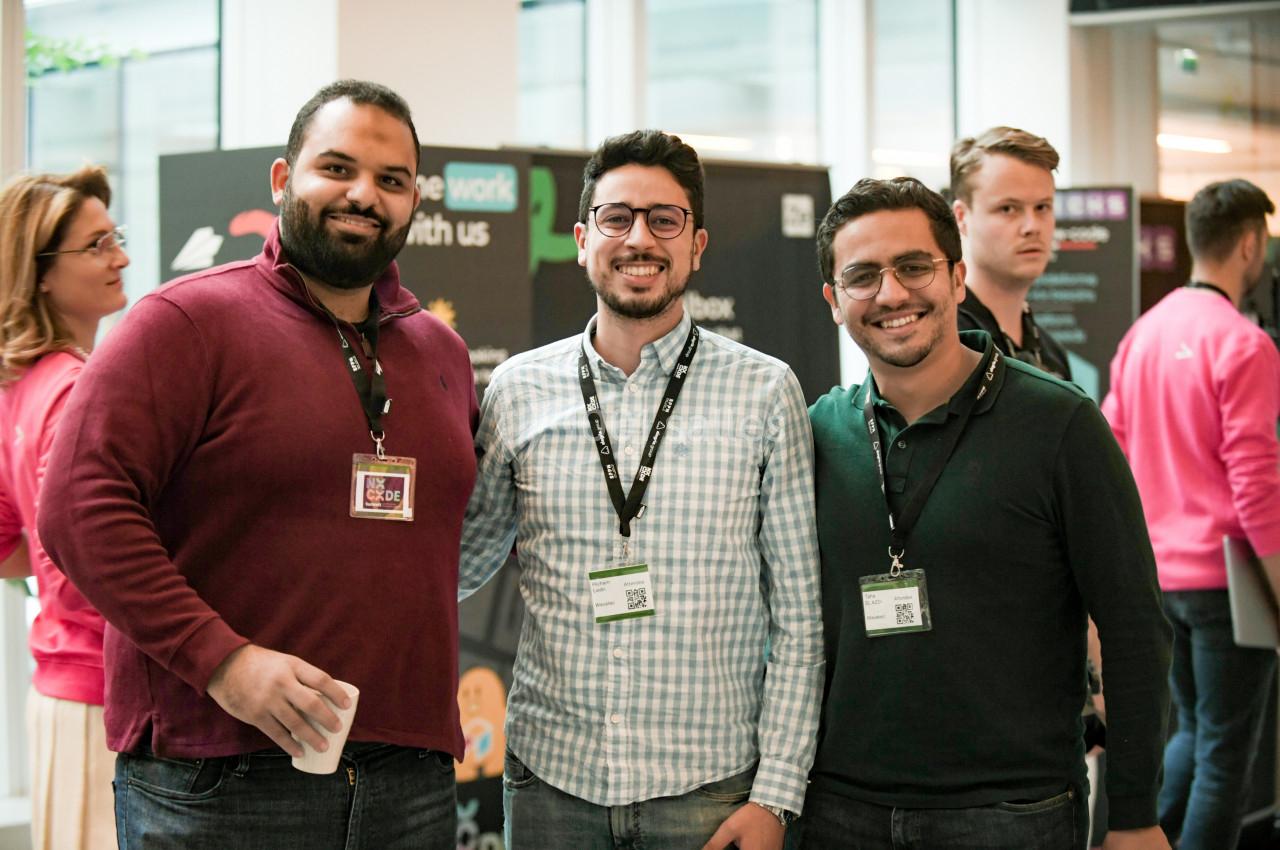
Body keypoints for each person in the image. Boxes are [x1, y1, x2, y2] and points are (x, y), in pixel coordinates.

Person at [38, 80, 475, 849]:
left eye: (391, 180)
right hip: (222, 773)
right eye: (336, 168)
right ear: (282, 179)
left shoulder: (441, 353)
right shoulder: (185, 323)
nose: (363, 195)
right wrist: (224, 663)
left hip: (411, 780)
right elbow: (78, 508)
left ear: (414, 202)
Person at [459, 129, 823, 850]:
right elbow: (459, 565)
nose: (639, 239)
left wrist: (775, 796)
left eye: (665, 219)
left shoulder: (764, 390)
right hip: (552, 786)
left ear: (697, 244)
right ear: (581, 237)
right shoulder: (517, 390)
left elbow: (801, 620)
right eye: (616, 217)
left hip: (711, 792)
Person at [802, 176, 1171, 850]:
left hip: (1012, 813)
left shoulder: (1060, 425)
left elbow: (1134, 628)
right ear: (833, 300)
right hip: (837, 810)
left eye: (915, 266)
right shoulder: (817, 434)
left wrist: (1135, 816)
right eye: (862, 276)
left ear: (957, 276)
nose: (891, 293)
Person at [1102, 179, 1280, 850]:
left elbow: (1112, 452)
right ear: (1249, 244)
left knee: (1194, 733)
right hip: (1228, 579)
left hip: (1158, 576)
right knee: (1226, 755)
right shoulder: (1245, 343)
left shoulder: (1143, 334)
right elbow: (1256, 484)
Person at [0, 165, 128, 850]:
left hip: (59, 698)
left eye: (117, 237)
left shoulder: (21, 384)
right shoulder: (80, 387)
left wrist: (52, 571)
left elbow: (9, 544)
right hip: (102, 695)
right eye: (98, 245)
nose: (121, 258)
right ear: (40, 273)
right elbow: (91, 555)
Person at [951, 126, 1072, 379]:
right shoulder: (947, 345)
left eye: (1042, 207)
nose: (1032, 227)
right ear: (962, 218)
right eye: (1008, 209)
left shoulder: (1051, 354)